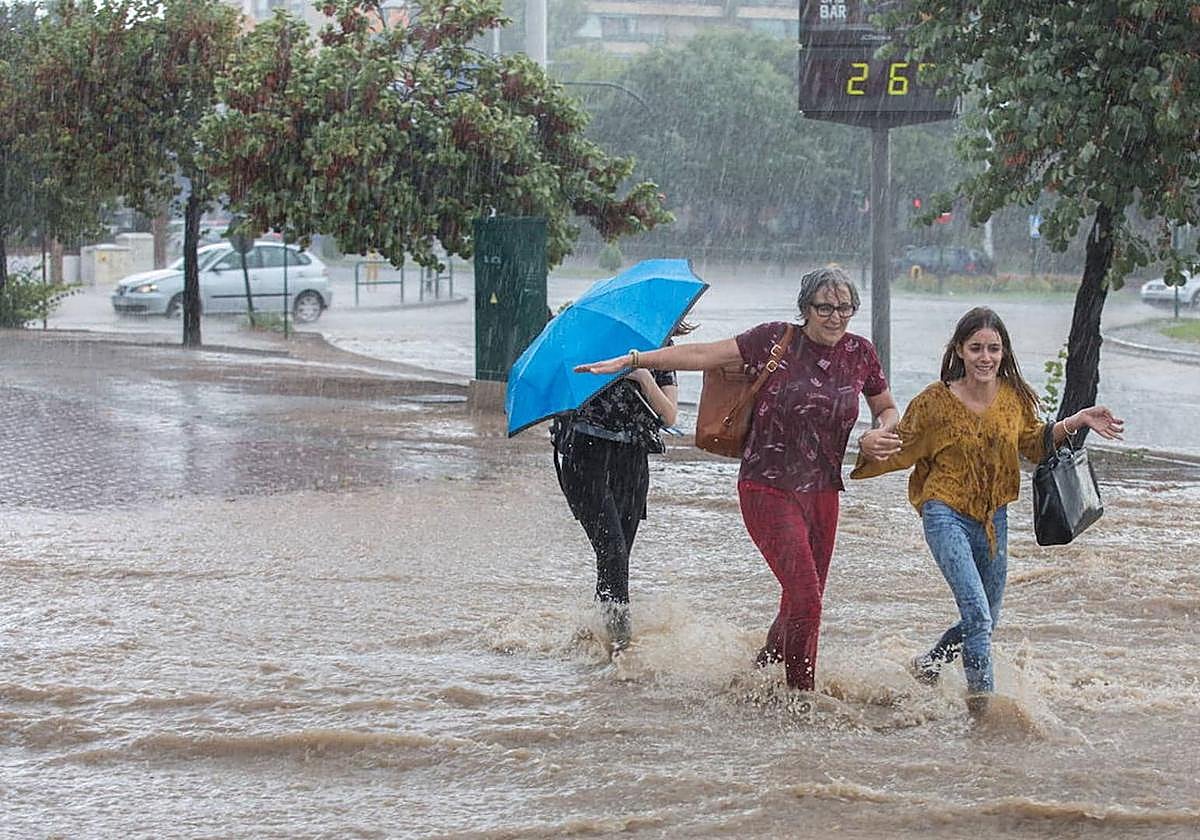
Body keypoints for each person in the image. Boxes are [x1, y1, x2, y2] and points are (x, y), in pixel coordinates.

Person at [575, 266, 901, 691]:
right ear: (805, 308)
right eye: (825, 307)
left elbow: (887, 406)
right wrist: (636, 359)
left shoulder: (861, 353)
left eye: (845, 308)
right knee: (806, 597)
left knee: (801, 599)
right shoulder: (775, 339)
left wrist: (879, 431)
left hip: (823, 492)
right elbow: (702, 355)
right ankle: (800, 698)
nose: (836, 316)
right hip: (767, 487)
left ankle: (761, 671)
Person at [850, 306, 1124, 716]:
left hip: (994, 519)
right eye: (976, 347)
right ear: (959, 350)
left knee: (985, 621)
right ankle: (982, 710)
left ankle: (929, 666)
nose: (985, 357)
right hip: (944, 513)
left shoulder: (1013, 398)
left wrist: (1078, 419)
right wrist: (868, 443)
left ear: (1003, 352)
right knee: (978, 615)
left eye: (993, 348)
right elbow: (902, 446)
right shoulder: (934, 401)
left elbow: (1033, 443)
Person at [552, 325, 689, 655]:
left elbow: (669, 414)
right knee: (612, 550)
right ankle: (621, 650)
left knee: (615, 560)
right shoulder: (589, 340)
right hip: (584, 453)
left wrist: (642, 375)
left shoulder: (660, 348)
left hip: (633, 460)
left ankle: (595, 639)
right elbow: (561, 394)